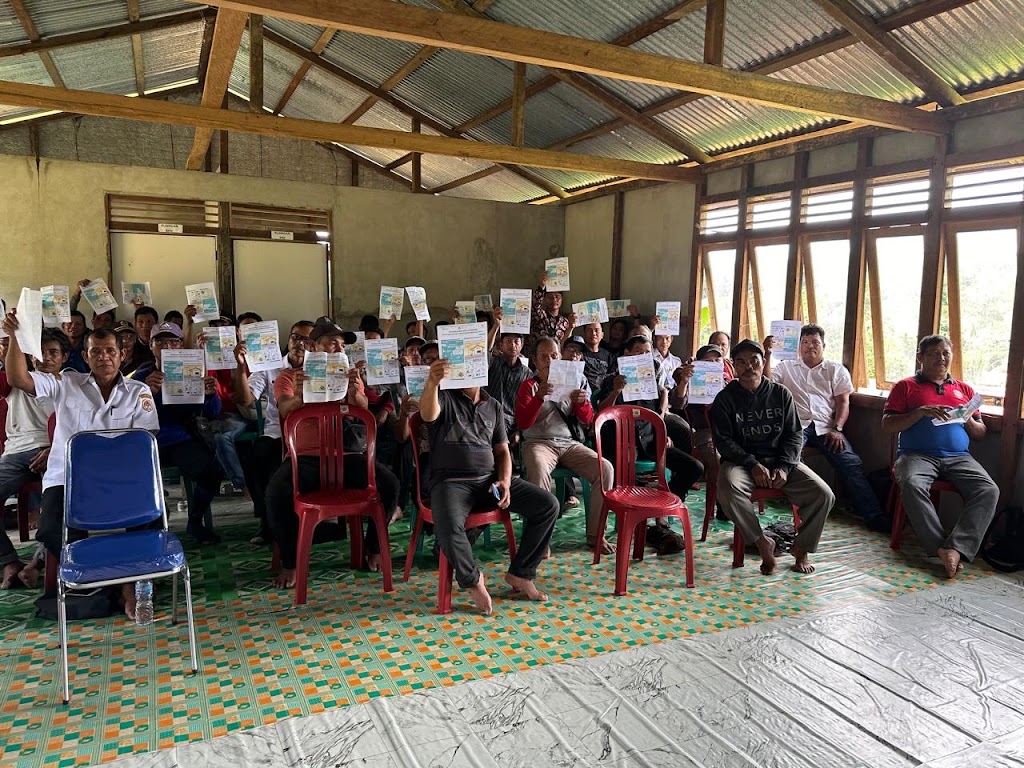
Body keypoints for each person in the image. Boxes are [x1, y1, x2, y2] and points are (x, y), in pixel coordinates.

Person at [1, 312, 158, 618]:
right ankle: (103, 582)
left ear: (122, 355)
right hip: (68, 478)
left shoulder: (138, 392)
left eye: (110, 351)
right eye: (95, 352)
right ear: (85, 357)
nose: (103, 357)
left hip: (119, 478)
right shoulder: (65, 383)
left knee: (147, 524)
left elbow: (145, 442)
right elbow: (18, 379)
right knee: (51, 531)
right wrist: (16, 338)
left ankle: (129, 586)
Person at [264, 318, 400, 587]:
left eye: (342, 345)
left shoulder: (347, 375)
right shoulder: (289, 377)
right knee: (275, 494)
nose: (339, 349)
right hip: (305, 460)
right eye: (332, 343)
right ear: (313, 347)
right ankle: (290, 562)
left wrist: (354, 391)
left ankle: (373, 547)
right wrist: (299, 396)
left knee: (390, 485)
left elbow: (363, 408)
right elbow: (285, 409)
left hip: (346, 456)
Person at [420, 356, 558, 614]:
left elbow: (502, 450)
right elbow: (428, 414)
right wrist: (432, 382)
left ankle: (521, 573)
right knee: (447, 526)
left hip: (488, 482)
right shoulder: (444, 397)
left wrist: (504, 480)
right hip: (451, 483)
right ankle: (473, 580)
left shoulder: (492, 405)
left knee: (547, 504)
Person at [710, 339, 835, 576]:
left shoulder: (780, 394)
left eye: (754, 361)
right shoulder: (725, 399)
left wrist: (785, 467)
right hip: (742, 463)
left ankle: (801, 547)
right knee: (727, 489)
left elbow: (794, 434)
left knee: (823, 494)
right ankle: (761, 542)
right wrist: (752, 464)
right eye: (741, 362)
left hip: (780, 461)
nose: (749, 367)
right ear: (733, 366)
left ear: (763, 362)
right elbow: (723, 441)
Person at [882, 335, 998, 578]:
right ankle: (939, 547)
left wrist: (967, 418)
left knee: (988, 490)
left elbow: (980, 433)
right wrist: (919, 413)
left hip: (959, 457)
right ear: (920, 357)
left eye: (946, 353)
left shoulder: (964, 389)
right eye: (934, 353)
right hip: (916, 456)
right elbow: (888, 425)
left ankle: (956, 547)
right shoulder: (905, 386)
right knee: (912, 484)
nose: (941, 358)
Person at [763, 324, 888, 531]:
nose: (810, 346)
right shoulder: (786, 367)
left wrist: (837, 429)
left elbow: (843, 403)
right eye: (805, 342)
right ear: (798, 346)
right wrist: (767, 354)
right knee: (791, 459)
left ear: (824, 346)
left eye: (815, 342)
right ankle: (804, 512)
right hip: (796, 427)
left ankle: (873, 515)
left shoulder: (835, 369)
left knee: (851, 462)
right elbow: (767, 384)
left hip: (827, 427)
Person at [516, 337, 614, 554]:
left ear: (560, 357)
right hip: (538, 443)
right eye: (543, 357)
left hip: (568, 443)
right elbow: (523, 423)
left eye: (554, 355)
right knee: (538, 468)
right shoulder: (529, 386)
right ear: (535, 361)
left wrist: (582, 402)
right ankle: (540, 540)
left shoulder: (572, 381)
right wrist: (538, 398)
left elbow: (587, 420)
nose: (549, 360)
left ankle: (596, 535)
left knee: (605, 468)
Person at [133, 322, 224, 544]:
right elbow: (129, 414)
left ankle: (195, 520)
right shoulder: (140, 377)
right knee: (136, 477)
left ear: (181, 345)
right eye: (160, 341)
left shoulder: (193, 370)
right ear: (150, 345)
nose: (167, 347)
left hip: (181, 438)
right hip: (148, 441)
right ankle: (152, 525)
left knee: (213, 472)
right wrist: (145, 391)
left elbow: (212, 413)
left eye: (173, 341)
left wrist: (210, 395)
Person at [596, 334, 704, 508]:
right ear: (626, 353)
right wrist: (616, 391)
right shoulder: (612, 380)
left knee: (694, 467)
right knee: (626, 476)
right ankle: (634, 511)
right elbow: (602, 412)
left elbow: (664, 410)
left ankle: (665, 502)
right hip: (621, 443)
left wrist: (663, 434)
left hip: (650, 442)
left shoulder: (652, 381)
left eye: (647, 353)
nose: (643, 357)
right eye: (638, 352)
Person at [233, 320, 315, 544]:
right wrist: (240, 366)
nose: (300, 343)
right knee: (257, 455)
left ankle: (308, 517)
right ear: (288, 339)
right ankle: (268, 521)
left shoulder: (320, 367)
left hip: (310, 435)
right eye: (296, 337)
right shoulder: (269, 365)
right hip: (277, 432)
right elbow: (245, 399)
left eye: (307, 340)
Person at [0, 328, 67, 588]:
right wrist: (14, 336)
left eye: (53, 353)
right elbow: (14, 374)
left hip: (56, 451)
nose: (45, 358)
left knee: (59, 504)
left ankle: (38, 563)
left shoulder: (71, 385)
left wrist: (54, 449)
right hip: (17, 453)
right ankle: (9, 561)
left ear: (64, 357)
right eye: (39, 352)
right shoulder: (15, 381)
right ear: (29, 356)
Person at [486, 332, 532, 443]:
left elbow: (527, 406)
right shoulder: (492, 363)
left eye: (516, 342)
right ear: (501, 345)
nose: (512, 345)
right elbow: (485, 351)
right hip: (488, 417)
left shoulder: (527, 374)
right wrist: (496, 326)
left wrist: (519, 432)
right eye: (508, 341)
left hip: (511, 424)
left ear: (521, 345)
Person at [526, 269, 576, 356]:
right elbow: (536, 305)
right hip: (537, 358)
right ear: (544, 299)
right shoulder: (540, 315)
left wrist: (571, 327)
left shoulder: (565, 321)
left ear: (562, 299)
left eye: (557, 297)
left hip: (556, 359)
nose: (554, 300)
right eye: (550, 297)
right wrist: (542, 286)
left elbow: (564, 344)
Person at [580, 323, 613, 396]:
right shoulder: (579, 353)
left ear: (602, 334)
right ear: (584, 333)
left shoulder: (607, 355)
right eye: (589, 330)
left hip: (603, 396)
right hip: (584, 395)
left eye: (597, 330)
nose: (593, 333)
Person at [129, 305, 158, 372]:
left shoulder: (162, 346)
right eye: (140, 322)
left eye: (149, 322)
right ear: (135, 324)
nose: (145, 326)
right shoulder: (130, 347)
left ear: (156, 324)